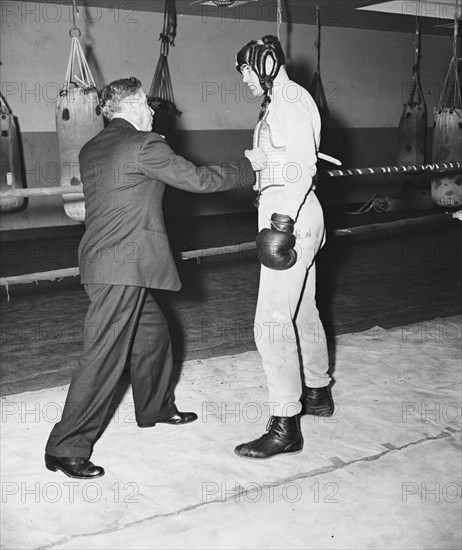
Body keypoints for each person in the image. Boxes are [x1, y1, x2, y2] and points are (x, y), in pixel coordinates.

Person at [45, 76, 266, 478]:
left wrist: (151, 144)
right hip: (121, 267)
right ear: (130, 107)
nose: (152, 112)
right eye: (146, 106)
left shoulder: (93, 147)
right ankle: (66, 446)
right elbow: (200, 180)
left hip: (106, 262)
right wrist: (252, 164)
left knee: (154, 335)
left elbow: (128, 180)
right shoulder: (144, 145)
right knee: (104, 354)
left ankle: (155, 409)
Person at [234, 36, 334, 460]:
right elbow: (286, 155)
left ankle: (284, 424)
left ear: (266, 63)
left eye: (245, 71)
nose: (244, 81)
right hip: (297, 209)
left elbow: (301, 166)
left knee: (270, 322)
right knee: (302, 310)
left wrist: (281, 224)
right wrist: (260, 161)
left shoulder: (290, 98)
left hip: (289, 211)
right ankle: (316, 392)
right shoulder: (281, 100)